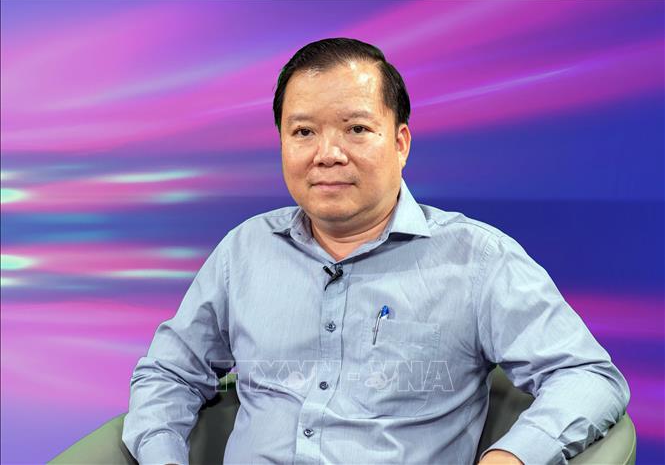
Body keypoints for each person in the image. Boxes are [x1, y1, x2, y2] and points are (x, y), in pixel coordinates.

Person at [122, 38, 630, 465]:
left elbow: (587, 376)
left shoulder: (477, 259)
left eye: (357, 129)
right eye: (303, 132)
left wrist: (511, 458)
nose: (328, 154)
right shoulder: (245, 250)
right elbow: (169, 373)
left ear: (401, 142)